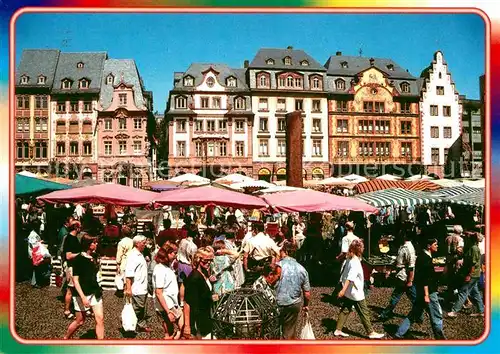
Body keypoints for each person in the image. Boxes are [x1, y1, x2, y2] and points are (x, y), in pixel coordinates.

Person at [394, 238, 445, 339]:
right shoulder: (426, 259)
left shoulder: (421, 256)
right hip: (428, 291)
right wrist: (426, 295)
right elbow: (425, 279)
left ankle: (399, 333)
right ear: (429, 246)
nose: (437, 246)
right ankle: (440, 338)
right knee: (436, 314)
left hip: (420, 290)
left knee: (415, 313)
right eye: (435, 244)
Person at [335, 239, 384, 339]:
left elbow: (345, 275)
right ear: (358, 249)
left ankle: (338, 329)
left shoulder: (349, 258)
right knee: (364, 311)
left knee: (346, 309)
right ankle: (370, 332)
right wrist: (343, 290)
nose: (364, 248)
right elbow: (350, 277)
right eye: (362, 247)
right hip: (355, 292)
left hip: (350, 291)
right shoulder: (355, 262)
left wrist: (343, 288)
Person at [64, 234, 104, 339]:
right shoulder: (78, 260)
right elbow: (75, 281)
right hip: (82, 293)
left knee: (100, 319)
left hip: (95, 292)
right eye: (94, 243)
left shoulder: (95, 257)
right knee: (80, 321)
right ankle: (65, 338)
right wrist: (83, 297)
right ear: (88, 245)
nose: (96, 244)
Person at [378, 231, 417, 321]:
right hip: (401, 276)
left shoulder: (409, 248)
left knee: (397, 296)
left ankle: (385, 314)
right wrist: (390, 270)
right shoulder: (403, 246)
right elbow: (398, 261)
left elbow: (411, 266)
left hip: (404, 277)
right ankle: (419, 314)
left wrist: (410, 280)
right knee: (412, 297)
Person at [275, 241, 310, 339]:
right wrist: (306, 305)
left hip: (277, 302)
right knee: (289, 332)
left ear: (285, 252)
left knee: (274, 329)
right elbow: (307, 293)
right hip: (293, 304)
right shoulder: (302, 269)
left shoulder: (278, 266)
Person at [447, 232, 485, 318]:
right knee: (475, 293)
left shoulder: (474, 249)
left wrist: (469, 275)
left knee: (463, 292)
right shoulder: (471, 247)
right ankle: (481, 311)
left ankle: (454, 311)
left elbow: (473, 264)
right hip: (474, 274)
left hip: (472, 274)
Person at [183, 247, 217, 339]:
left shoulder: (205, 273)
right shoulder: (194, 278)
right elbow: (187, 302)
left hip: (206, 316)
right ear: (198, 260)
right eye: (205, 260)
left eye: (210, 260)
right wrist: (187, 326)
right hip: (198, 319)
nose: (208, 262)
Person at [153, 246, 183, 339]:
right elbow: (158, 292)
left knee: (170, 331)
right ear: (167, 254)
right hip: (168, 304)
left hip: (170, 302)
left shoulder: (165, 267)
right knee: (176, 327)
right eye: (174, 253)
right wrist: (168, 311)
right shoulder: (160, 269)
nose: (175, 255)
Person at [124, 235, 151, 333]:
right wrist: (128, 288)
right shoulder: (133, 256)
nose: (145, 245)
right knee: (137, 307)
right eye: (143, 243)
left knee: (142, 307)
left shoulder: (140, 254)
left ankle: (141, 324)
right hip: (137, 287)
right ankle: (132, 325)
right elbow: (129, 273)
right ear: (137, 243)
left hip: (142, 285)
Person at [62, 220, 83, 319]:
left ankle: (79, 308)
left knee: (75, 289)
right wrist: (81, 254)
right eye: (80, 226)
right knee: (70, 289)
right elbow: (68, 256)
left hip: (75, 266)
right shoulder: (70, 239)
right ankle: (66, 310)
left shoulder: (73, 238)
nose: (81, 228)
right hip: (71, 267)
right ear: (76, 227)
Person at [115, 226, 134, 295]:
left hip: (124, 261)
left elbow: (119, 254)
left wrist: (118, 263)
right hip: (131, 260)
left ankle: (124, 291)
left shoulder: (121, 242)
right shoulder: (133, 241)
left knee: (123, 276)